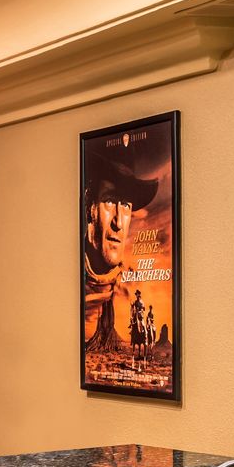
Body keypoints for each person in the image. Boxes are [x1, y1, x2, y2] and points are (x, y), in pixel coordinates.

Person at [82, 147, 159, 353]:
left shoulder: (134, 284)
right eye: (109, 201)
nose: (118, 222)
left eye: (125, 205)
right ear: (90, 208)